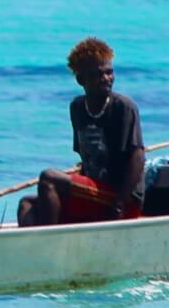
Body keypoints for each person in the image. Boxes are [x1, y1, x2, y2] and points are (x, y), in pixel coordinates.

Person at [19, 37, 145, 227]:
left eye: (109, 72)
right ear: (81, 80)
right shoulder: (77, 108)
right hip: (93, 194)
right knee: (27, 204)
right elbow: (86, 157)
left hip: (120, 198)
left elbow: (138, 158)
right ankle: (40, 250)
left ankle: (52, 239)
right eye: (97, 74)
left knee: (49, 178)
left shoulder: (123, 107)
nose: (106, 78)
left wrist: (119, 204)